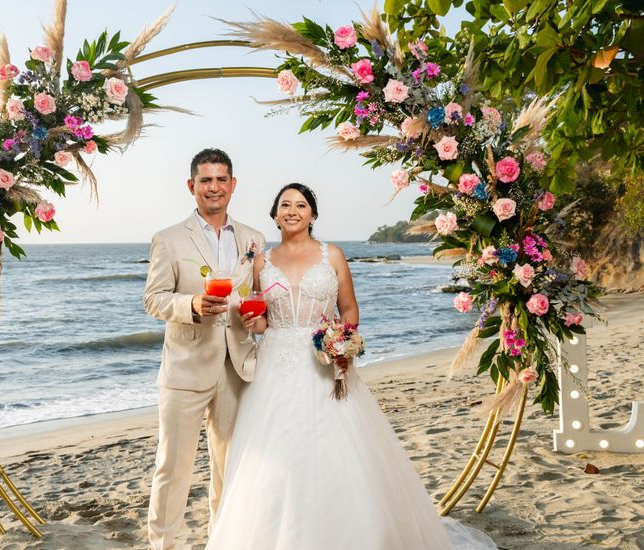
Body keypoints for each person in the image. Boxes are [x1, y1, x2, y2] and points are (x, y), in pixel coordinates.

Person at [205, 183, 497, 549]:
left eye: (301, 205)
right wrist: (254, 323)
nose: (292, 210)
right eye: (285, 205)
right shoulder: (262, 261)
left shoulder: (334, 256)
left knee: (339, 451)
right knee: (277, 453)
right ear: (275, 214)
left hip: (325, 361)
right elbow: (263, 318)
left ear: (313, 214)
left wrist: (341, 341)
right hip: (274, 365)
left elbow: (349, 309)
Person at [143, 148, 266, 550]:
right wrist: (191, 306)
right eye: (206, 180)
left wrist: (256, 316)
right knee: (173, 469)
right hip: (185, 369)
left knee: (229, 469)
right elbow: (154, 299)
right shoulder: (169, 239)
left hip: (238, 368)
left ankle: (223, 541)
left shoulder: (254, 239)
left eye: (221, 179)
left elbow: (259, 294)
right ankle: (163, 545)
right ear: (191, 185)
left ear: (233, 185)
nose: (214, 187)